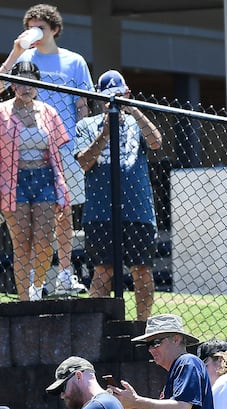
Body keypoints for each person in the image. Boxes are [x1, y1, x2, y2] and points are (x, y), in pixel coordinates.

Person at [0, 3, 91, 296]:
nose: (33, 33)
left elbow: (82, 104)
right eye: (29, 27)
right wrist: (14, 53)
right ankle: (36, 280)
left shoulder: (74, 61)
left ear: (54, 29)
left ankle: (66, 274)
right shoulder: (24, 58)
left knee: (64, 213)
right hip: (27, 153)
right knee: (30, 221)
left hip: (65, 146)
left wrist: (81, 140)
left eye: (40, 28)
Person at [0, 61, 70, 302]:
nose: (25, 87)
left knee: (43, 240)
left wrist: (62, 186)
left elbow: (57, 153)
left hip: (44, 179)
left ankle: (37, 289)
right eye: (20, 82)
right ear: (12, 85)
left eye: (30, 82)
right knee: (21, 243)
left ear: (38, 85)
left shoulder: (49, 113)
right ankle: (24, 302)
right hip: (13, 181)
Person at [73, 70, 161, 319]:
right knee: (103, 270)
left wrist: (132, 109)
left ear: (127, 93)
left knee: (142, 269)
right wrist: (105, 133)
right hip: (100, 211)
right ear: (99, 99)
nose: (112, 103)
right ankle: (95, 325)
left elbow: (156, 142)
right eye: (108, 98)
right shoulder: (86, 126)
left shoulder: (137, 122)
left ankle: (144, 326)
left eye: (118, 96)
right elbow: (85, 162)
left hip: (138, 209)